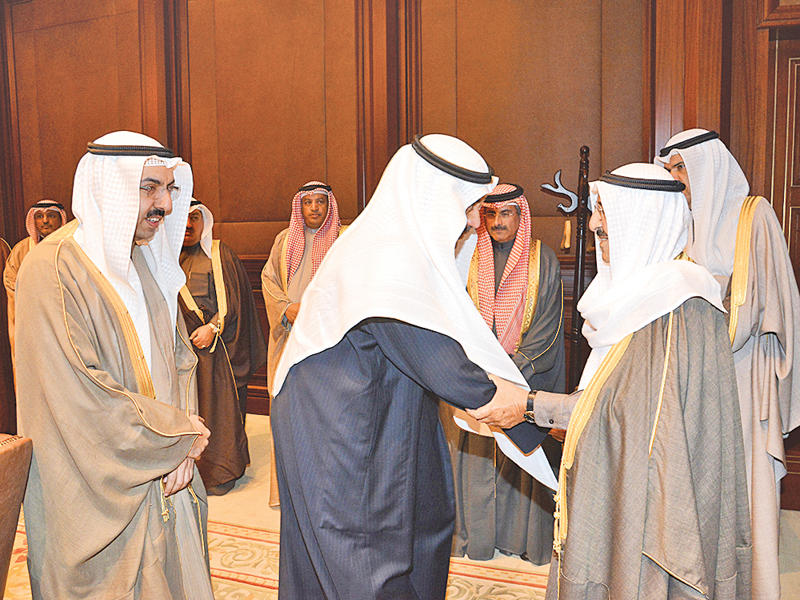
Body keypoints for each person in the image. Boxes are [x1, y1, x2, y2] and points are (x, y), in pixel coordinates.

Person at [270, 134, 544, 599]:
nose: (474, 221)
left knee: (424, 520)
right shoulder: (385, 256)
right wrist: (537, 419)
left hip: (386, 405)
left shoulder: (404, 248)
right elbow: (445, 366)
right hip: (338, 423)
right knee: (362, 552)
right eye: (469, 206)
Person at [472, 163, 751, 599]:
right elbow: (614, 398)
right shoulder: (637, 299)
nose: (593, 225)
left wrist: (529, 406)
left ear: (643, 221)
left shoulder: (678, 307)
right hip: (619, 486)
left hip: (650, 514)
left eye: (604, 216)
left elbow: (633, 420)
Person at [15, 131, 214, 599]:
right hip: (96, 486)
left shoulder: (144, 259)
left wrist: (179, 442)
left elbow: (177, 360)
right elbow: (78, 393)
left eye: (169, 188)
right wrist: (174, 436)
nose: (165, 204)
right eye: (149, 188)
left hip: (166, 468)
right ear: (109, 187)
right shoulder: (53, 268)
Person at [659, 129, 800, 599]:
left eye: (682, 167)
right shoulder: (678, 222)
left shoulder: (753, 215)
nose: (676, 178)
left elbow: (775, 298)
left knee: (744, 482)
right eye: (670, 170)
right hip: (692, 373)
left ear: (707, 166)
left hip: (744, 373)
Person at [443, 182, 564, 564]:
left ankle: (519, 539)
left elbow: (546, 326)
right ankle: (476, 537)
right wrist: (477, 369)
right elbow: (455, 315)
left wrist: (512, 370)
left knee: (521, 456)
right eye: (490, 214)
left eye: (506, 213)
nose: (497, 221)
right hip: (476, 375)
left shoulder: (542, 259)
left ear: (520, 215)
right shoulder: (466, 256)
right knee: (476, 452)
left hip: (524, 376)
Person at [261, 180, 344, 506]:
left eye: (320, 202)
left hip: (328, 343)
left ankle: (329, 489)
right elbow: (268, 280)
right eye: (308, 202)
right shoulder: (284, 241)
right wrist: (286, 309)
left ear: (329, 205)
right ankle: (288, 490)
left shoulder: (342, 239)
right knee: (288, 413)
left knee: (326, 413)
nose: (314, 208)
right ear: (300, 206)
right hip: (289, 339)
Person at [179, 199, 266, 495]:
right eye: (183, 218)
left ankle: (221, 472)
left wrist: (212, 328)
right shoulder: (164, 257)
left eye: (195, 218)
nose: (188, 225)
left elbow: (235, 301)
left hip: (218, 350)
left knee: (220, 413)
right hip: (180, 351)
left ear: (205, 221)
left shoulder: (219, 254)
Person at [3, 199, 67, 359]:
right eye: (39, 216)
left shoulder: (71, 248)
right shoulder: (22, 250)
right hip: (32, 319)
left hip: (64, 318)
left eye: (51, 215)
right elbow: (11, 282)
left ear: (61, 219)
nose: (45, 221)